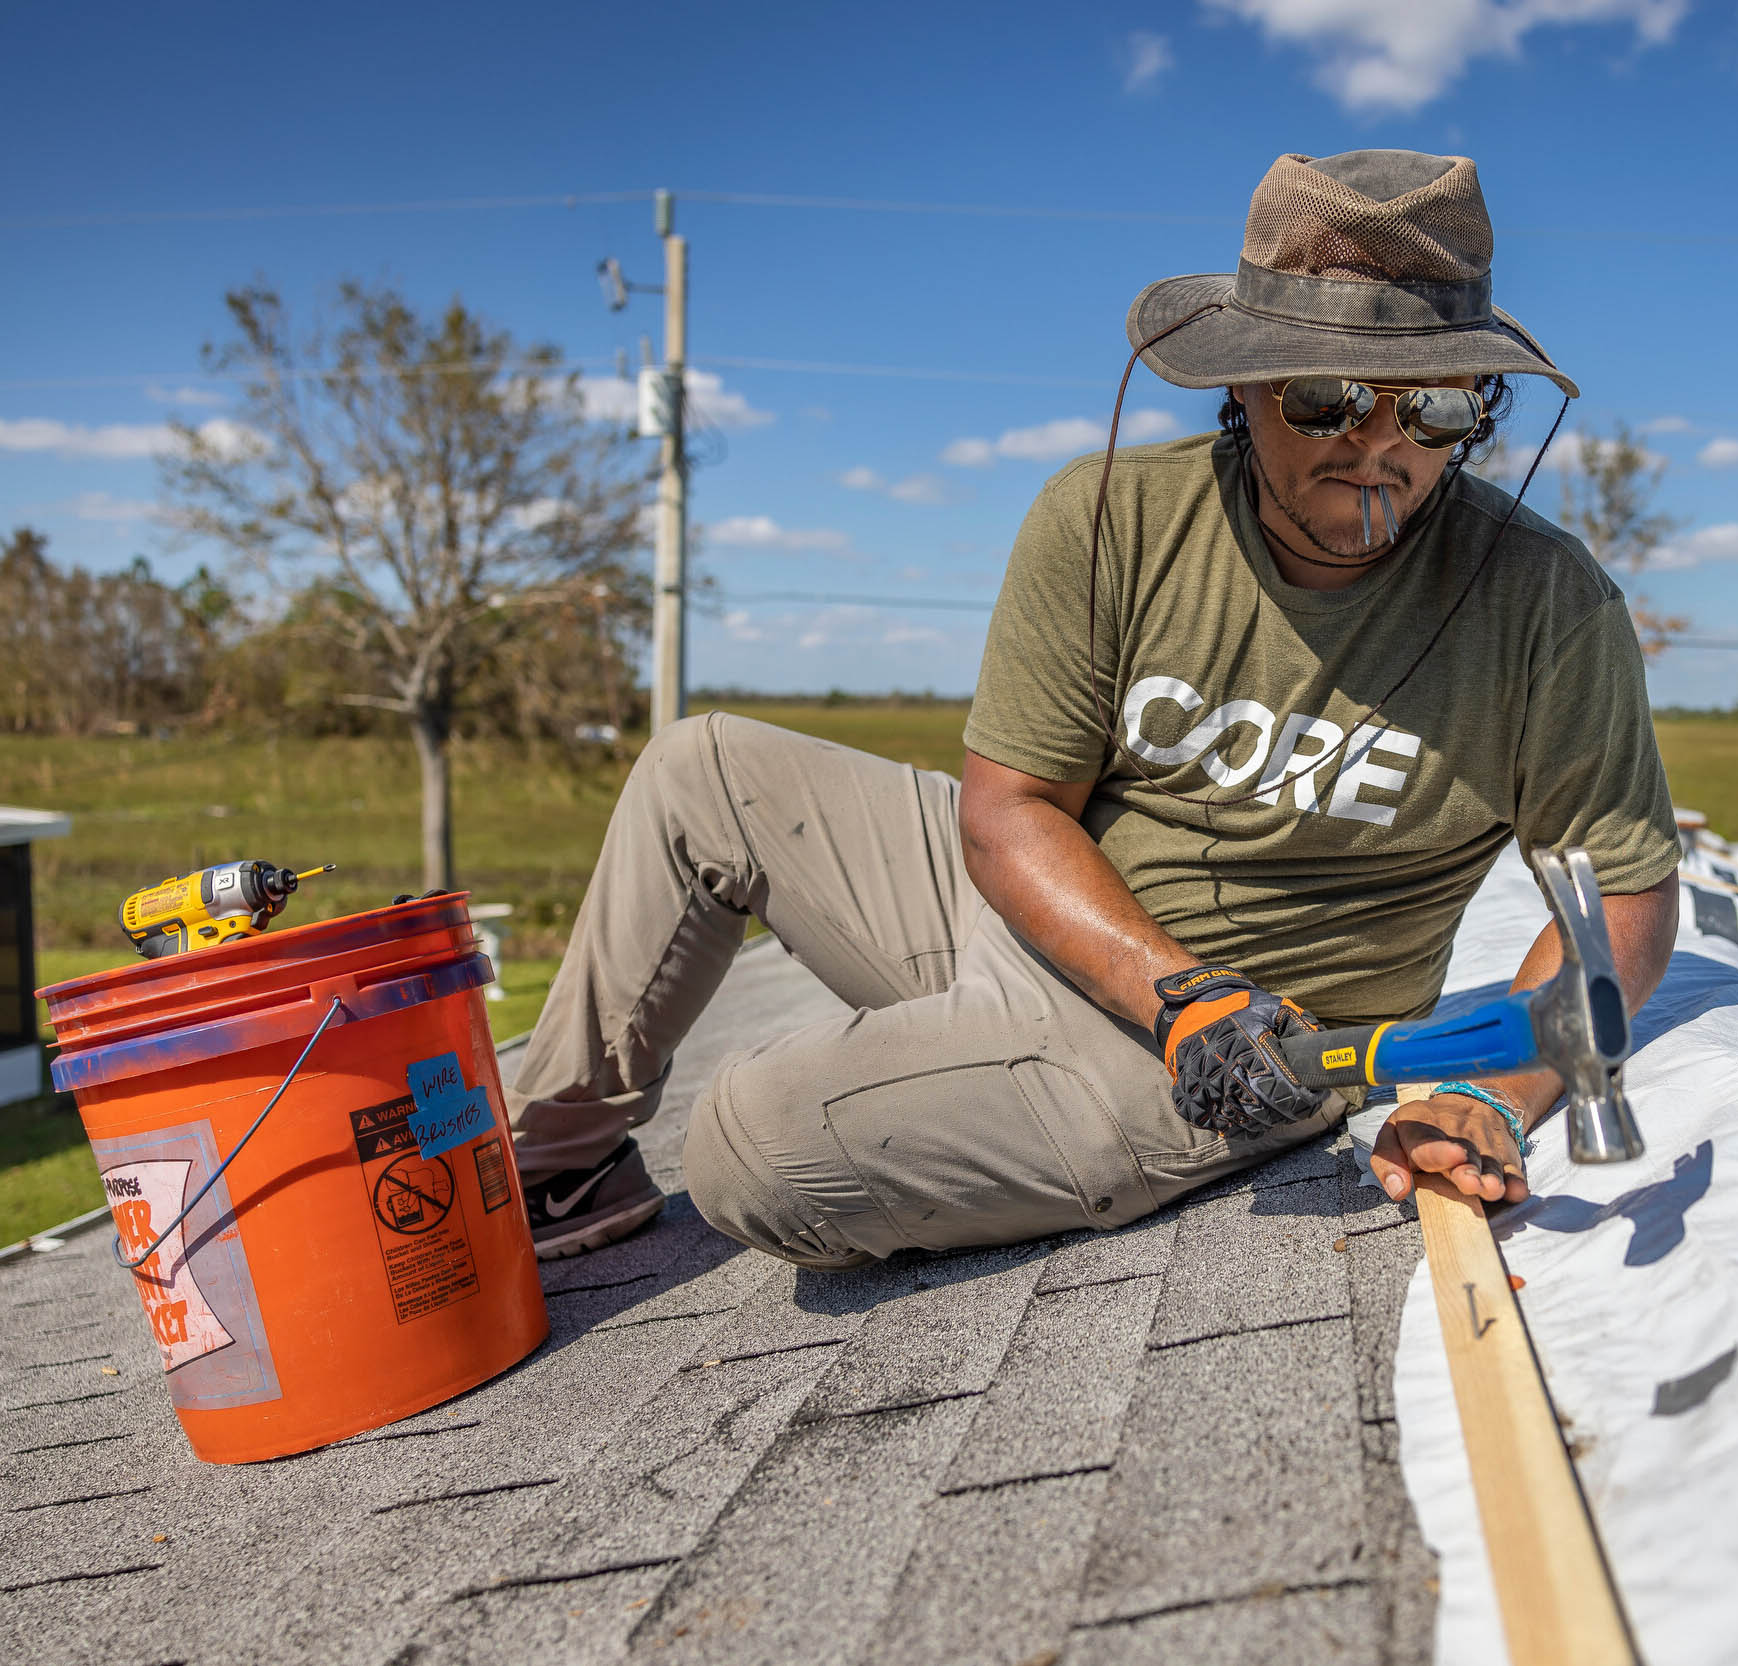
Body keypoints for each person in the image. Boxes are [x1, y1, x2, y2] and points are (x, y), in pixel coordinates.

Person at [505, 149, 1681, 1268]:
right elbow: (1010, 811)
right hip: (1076, 932)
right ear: (1246, 383)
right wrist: (1176, 991)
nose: (1378, 449)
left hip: (1241, 1052)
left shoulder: (1544, 604)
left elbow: (1620, 892)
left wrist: (1493, 1093)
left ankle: (965, 1072)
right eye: (1328, 399)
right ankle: (557, 1172)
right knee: (700, 768)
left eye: (1431, 413)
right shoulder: (1108, 513)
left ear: (1476, 411)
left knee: (749, 1145)